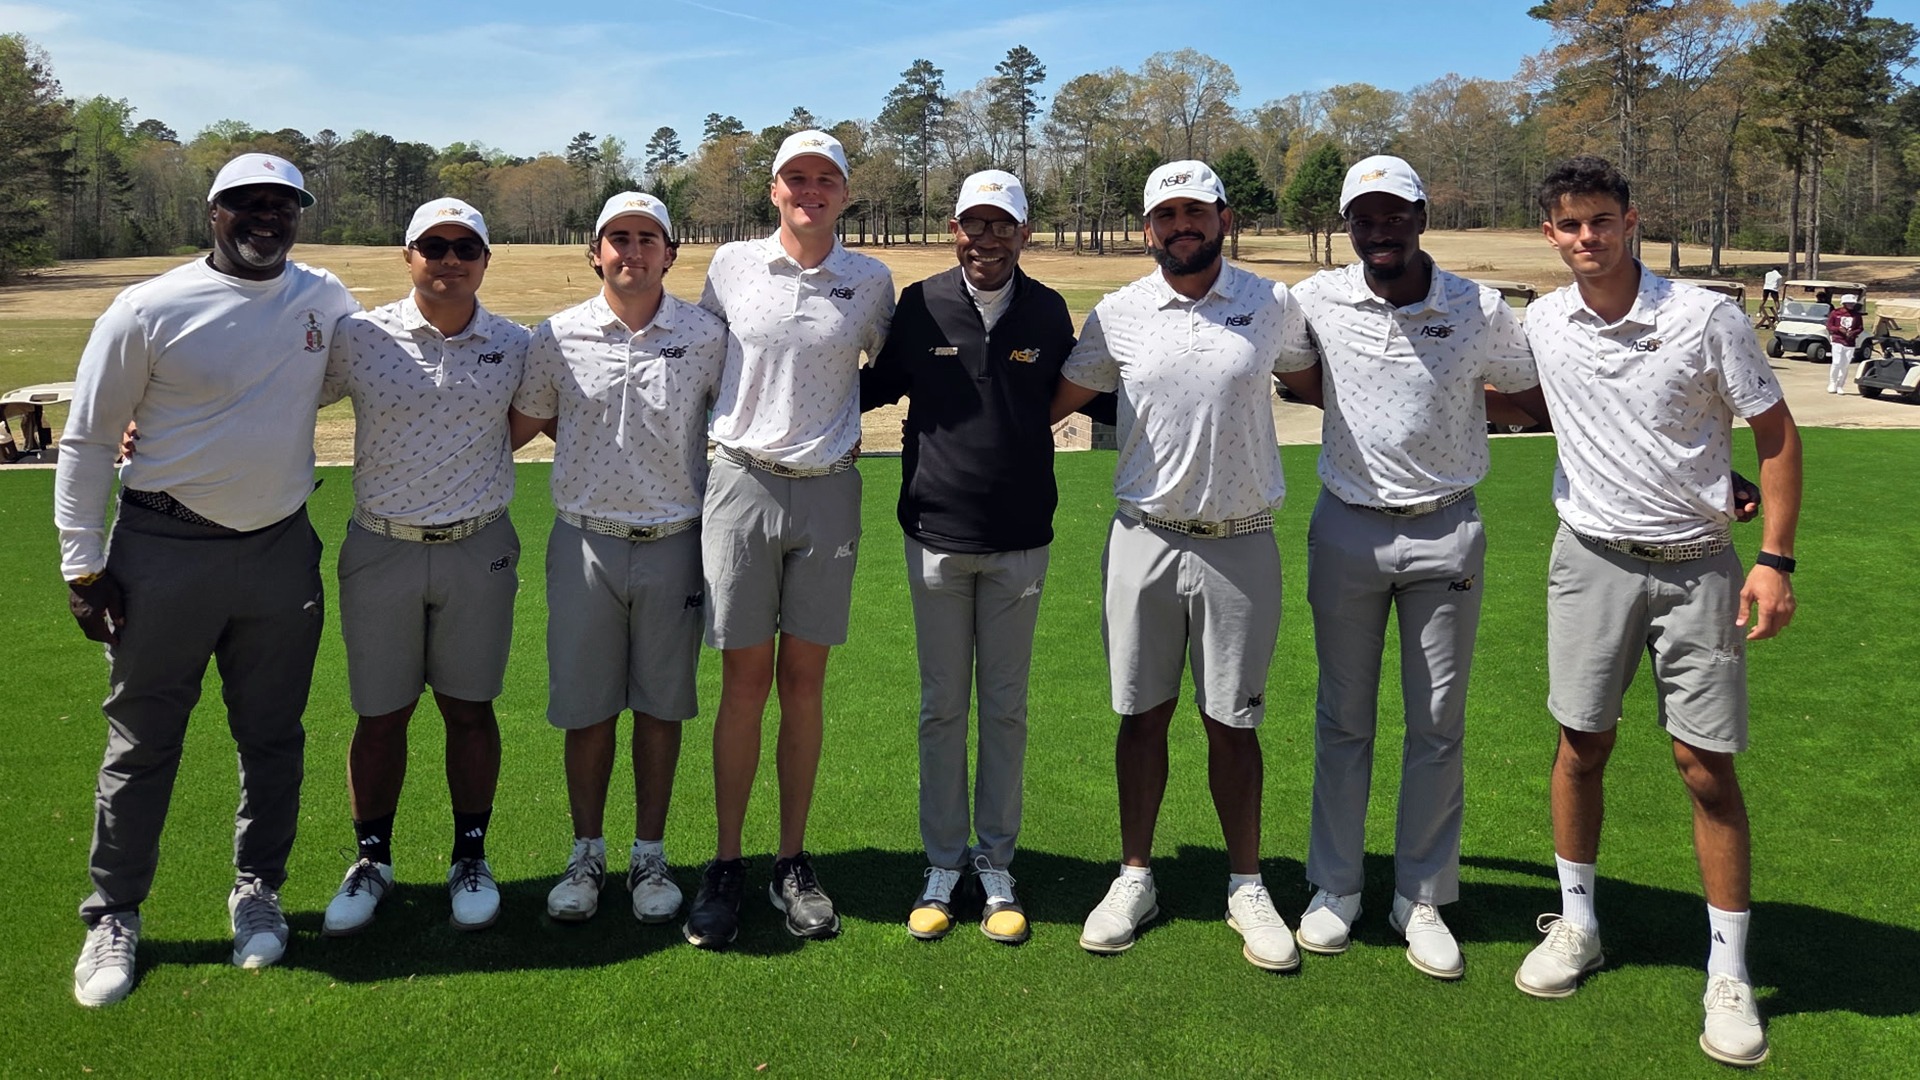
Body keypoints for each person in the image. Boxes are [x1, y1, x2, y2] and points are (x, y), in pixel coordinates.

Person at [1515, 155, 1801, 1068]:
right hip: (1589, 560)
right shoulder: (1544, 321)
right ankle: (1580, 924)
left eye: (1602, 220)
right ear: (1550, 234)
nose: (1587, 238)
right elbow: (1503, 391)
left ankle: (1728, 971)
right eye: (1570, 225)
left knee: (1704, 766)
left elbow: (1777, 434)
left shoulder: (1704, 317)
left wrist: (1774, 560)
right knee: (1580, 744)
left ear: (1631, 221)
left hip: (1700, 568)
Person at [57, 153, 359, 1006]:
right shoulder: (147, 307)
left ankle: (258, 891)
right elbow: (86, 438)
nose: (267, 218)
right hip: (163, 547)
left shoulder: (323, 296)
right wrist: (83, 565)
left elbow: (348, 370)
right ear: (213, 212)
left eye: (283, 205)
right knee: (143, 741)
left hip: (279, 548)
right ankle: (114, 913)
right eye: (246, 205)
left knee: (272, 736)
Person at [1051, 160, 1321, 971]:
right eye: (1165, 215)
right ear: (1147, 229)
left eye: (1195, 212)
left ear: (1224, 219)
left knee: (1233, 719)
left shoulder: (1273, 305)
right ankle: (1136, 874)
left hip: (1241, 539)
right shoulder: (1119, 313)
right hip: (1144, 537)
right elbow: (1051, 402)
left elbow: (1317, 388)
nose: (1182, 227)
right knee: (1141, 713)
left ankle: (1246, 883)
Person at [1282, 156, 1547, 979]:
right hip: (1347, 528)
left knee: (1436, 723)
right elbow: (1297, 379)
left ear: (1422, 216)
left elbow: (1537, 393)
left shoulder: (1478, 306)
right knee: (1343, 720)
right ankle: (1335, 888)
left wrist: (1467, 401)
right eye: (1363, 217)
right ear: (1348, 226)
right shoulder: (1316, 298)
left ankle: (1422, 896)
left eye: (1393, 214)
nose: (1379, 229)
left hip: (1446, 533)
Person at [684, 130, 894, 948]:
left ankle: (791, 860)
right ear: (774, 190)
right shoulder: (733, 266)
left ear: (845, 193)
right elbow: (699, 362)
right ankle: (728, 861)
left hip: (830, 494)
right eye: (796, 178)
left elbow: (890, 369)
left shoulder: (870, 281)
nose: (811, 190)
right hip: (740, 483)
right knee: (744, 683)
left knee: (804, 683)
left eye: (827, 180)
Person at [860, 170, 1077, 945]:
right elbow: (876, 387)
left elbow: (1089, 391)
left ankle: (996, 863)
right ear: (954, 229)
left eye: (1001, 226)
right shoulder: (920, 304)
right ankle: (943, 863)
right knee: (942, 707)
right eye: (973, 225)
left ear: (1024, 233)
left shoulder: (1048, 310)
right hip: (936, 538)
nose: (986, 239)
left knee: (1007, 710)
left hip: (1021, 541)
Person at [509, 192, 725, 927]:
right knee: (588, 708)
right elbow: (525, 422)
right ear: (594, 251)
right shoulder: (557, 335)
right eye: (617, 238)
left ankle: (650, 854)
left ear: (671, 253)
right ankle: (586, 852)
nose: (632, 251)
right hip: (583, 542)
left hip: (675, 542)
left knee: (663, 708)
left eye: (647, 239)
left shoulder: (704, 334)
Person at [316, 198, 529, 937]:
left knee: (470, 710)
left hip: (480, 546)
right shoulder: (360, 335)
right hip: (381, 546)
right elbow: (279, 399)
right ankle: (372, 859)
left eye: (464, 247)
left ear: (484, 261)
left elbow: (559, 415)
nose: (448, 259)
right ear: (407, 256)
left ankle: (470, 856)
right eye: (432, 246)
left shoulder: (515, 342)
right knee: (381, 716)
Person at [1826, 293, 1864, 394]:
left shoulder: (1856, 315)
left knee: (1845, 365)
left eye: (1852, 303)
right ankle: (1832, 383)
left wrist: (1853, 333)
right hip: (1837, 340)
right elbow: (1829, 326)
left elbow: (1860, 328)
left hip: (1850, 342)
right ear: (1844, 303)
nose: (1851, 305)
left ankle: (1840, 385)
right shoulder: (1835, 313)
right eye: (1849, 303)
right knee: (1837, 362)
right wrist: (1838, 329)